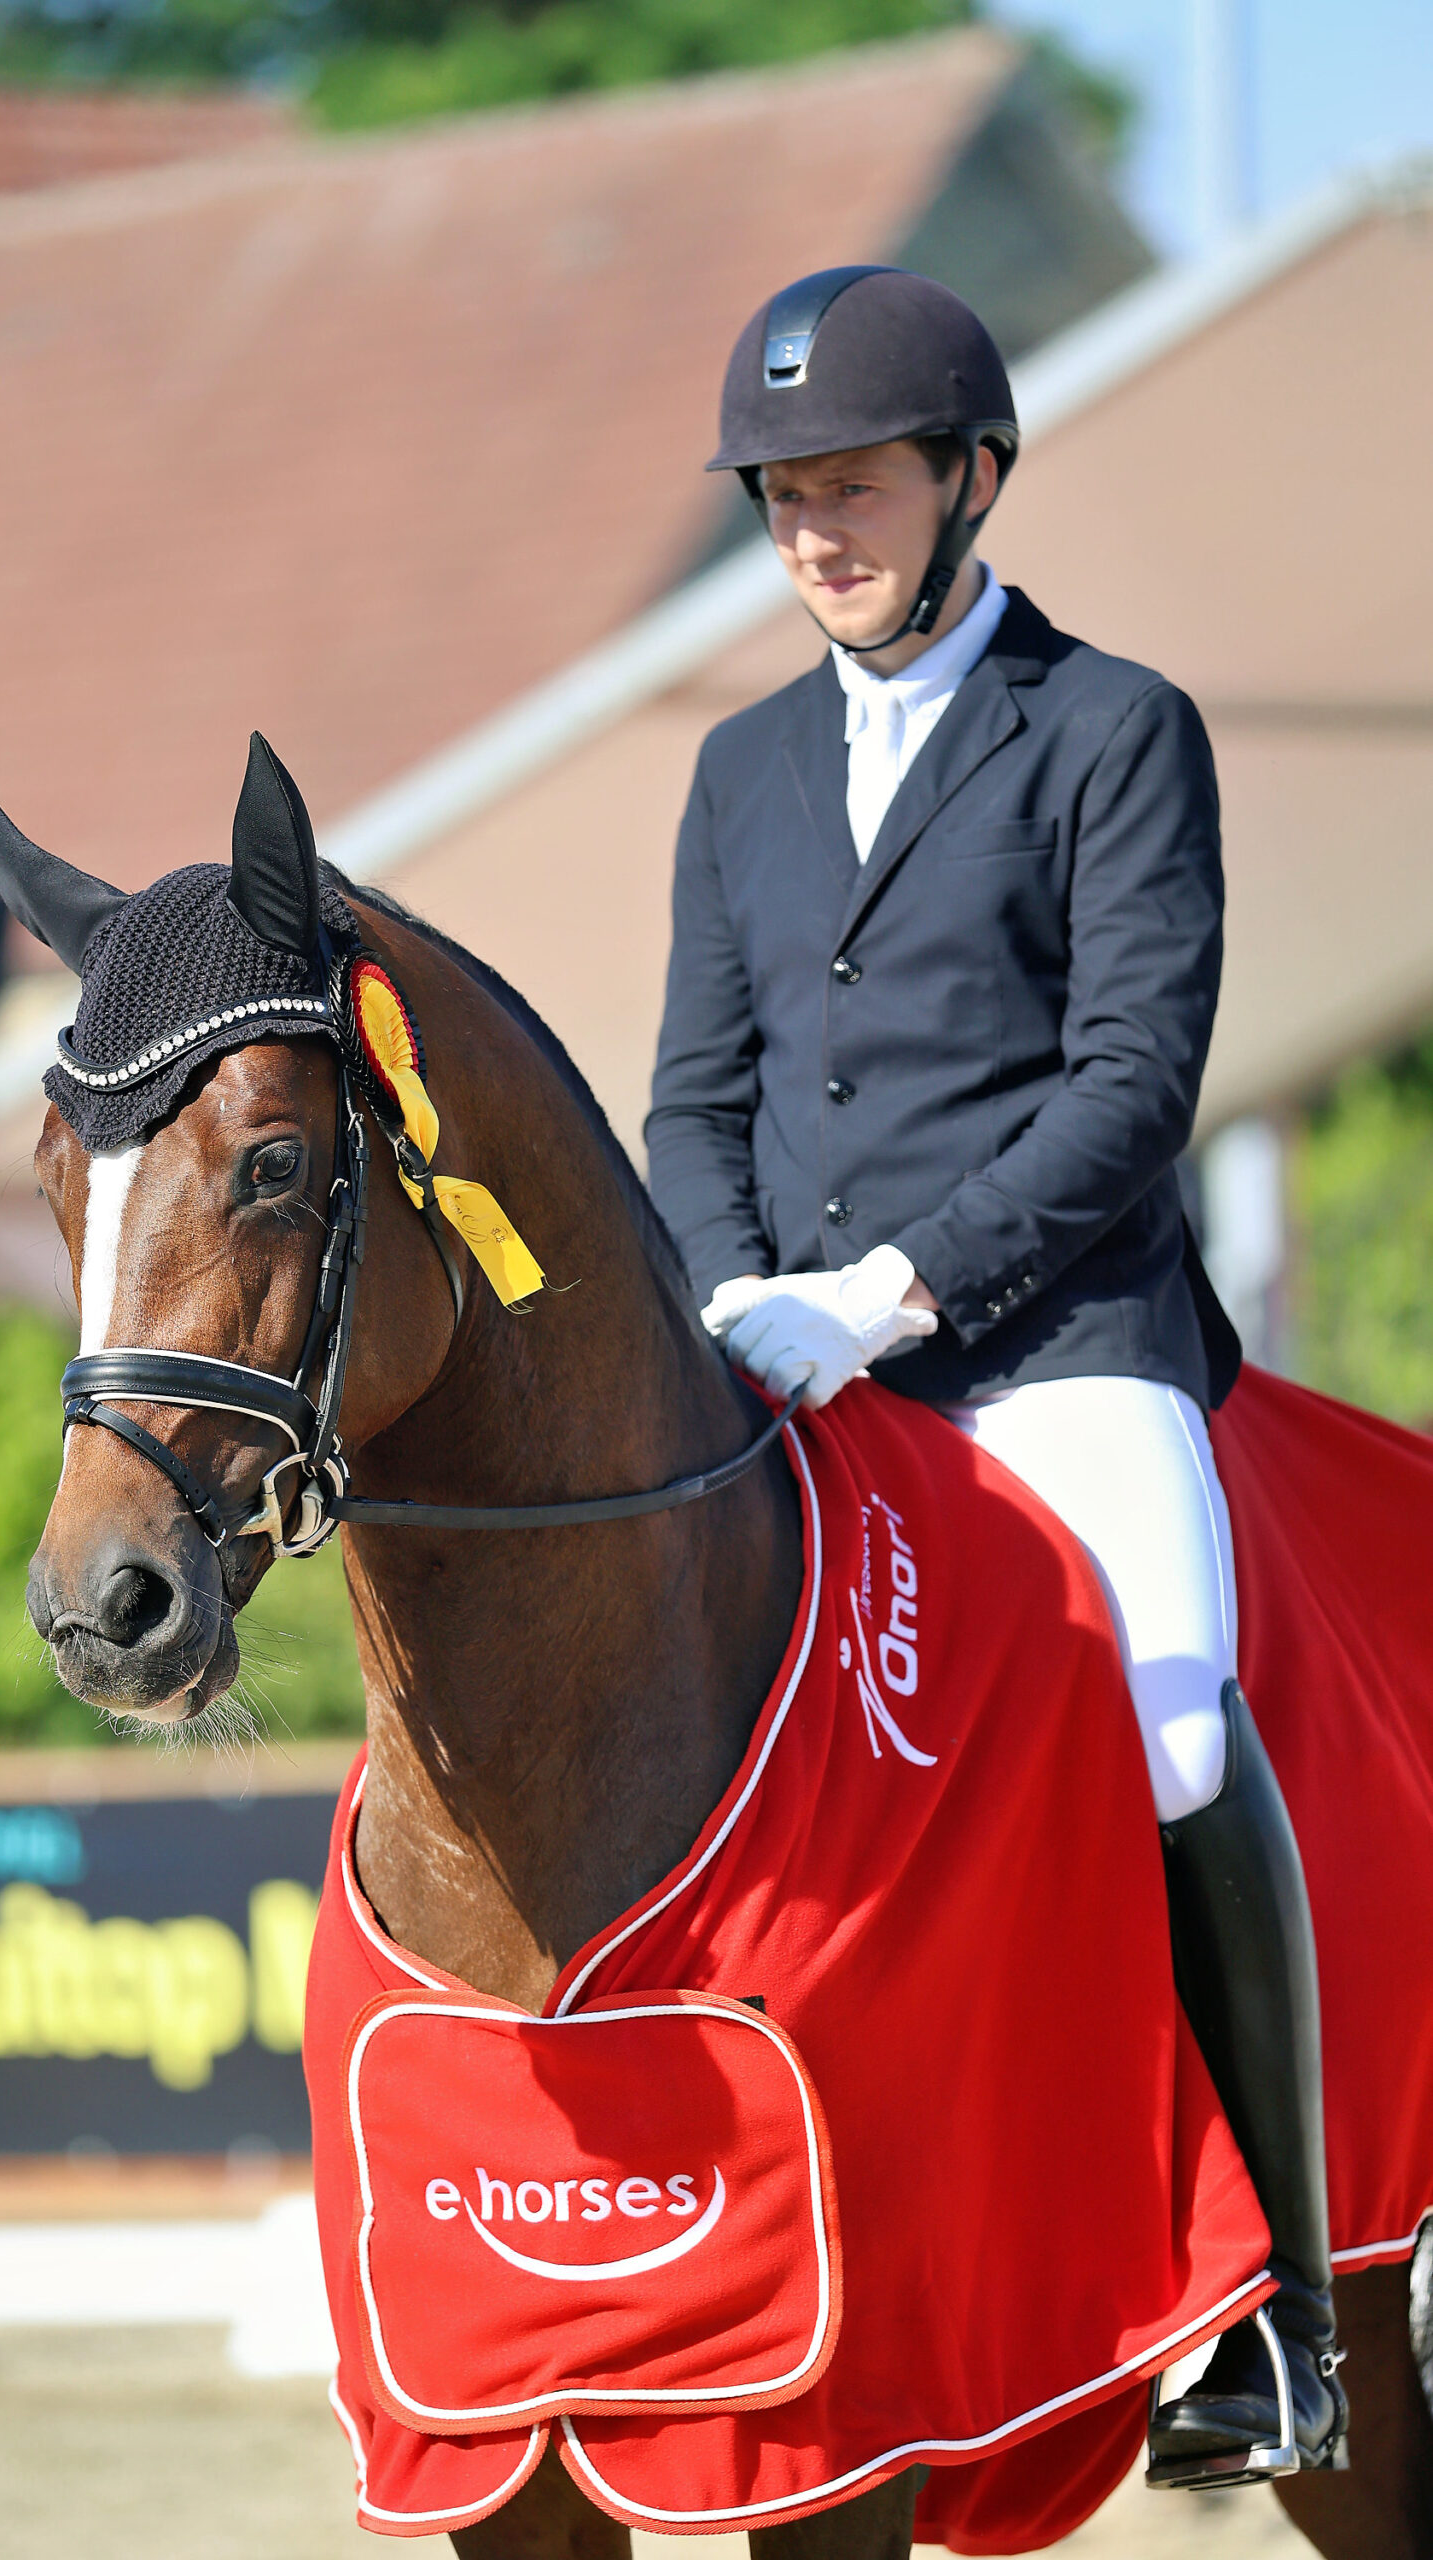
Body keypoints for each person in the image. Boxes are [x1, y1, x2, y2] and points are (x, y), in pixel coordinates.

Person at [645, 264, 1346, 2490]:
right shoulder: (739, 770)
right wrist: (733, 1296)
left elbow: (1136, 1081)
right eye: (782, 498)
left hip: (1056, 1344)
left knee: (1166, 1717)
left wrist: (890, 1291)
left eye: (853, 486)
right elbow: (693, 1099)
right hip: (791, 1364)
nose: (814, 532)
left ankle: (1284, 2310)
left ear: (969, 478)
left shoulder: (1111, 727)